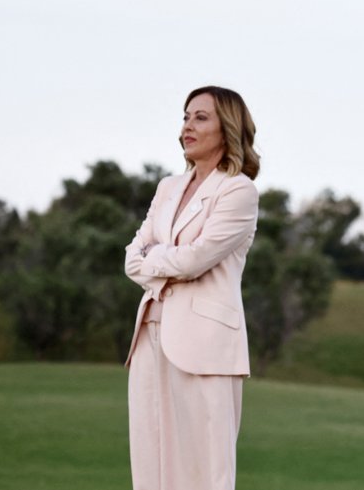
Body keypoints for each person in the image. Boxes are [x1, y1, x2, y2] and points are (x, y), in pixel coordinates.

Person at [123, 86, 260, 490]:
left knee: (206, 469)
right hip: (150, 334)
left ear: (227, 128)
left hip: (206, 345)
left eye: (201, 118)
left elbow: (196, 259)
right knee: (151, 465)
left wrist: (158, 256)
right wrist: (166, 257)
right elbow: (132, 257)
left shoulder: (238, 191)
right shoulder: (167, 187)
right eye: (185, 117)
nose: (187, 126)